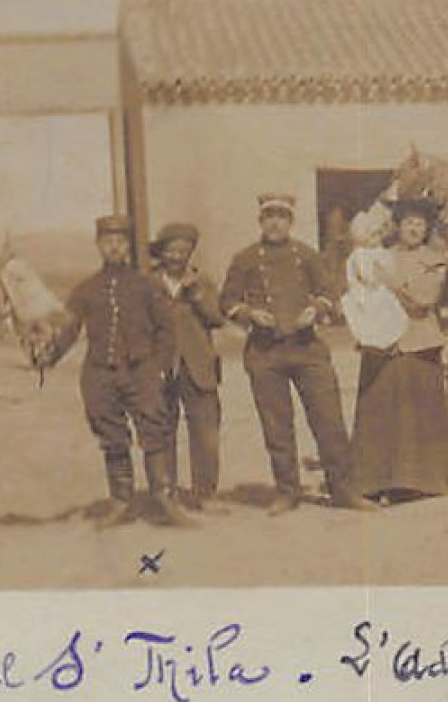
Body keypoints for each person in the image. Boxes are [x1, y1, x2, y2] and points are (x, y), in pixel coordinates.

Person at [220, 194, 371, 515]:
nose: (275, 222)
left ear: (291, 221)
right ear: (260, 221)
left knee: (329, 421)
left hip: (308, 351)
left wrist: (315, 309)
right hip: (265, 353)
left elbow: (330, 292)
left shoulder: (307, 255)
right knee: (277, 427)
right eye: (269, 216)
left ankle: (343, 490)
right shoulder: (245, 259)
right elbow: (227, 302)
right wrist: (249, 314)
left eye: (282, 216)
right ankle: (287, 492)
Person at [45, 213, 192, 527]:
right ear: (98, 246)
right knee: (111, 434)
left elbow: (166, 332)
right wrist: (49, 356)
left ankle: (163, 499)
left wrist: (161, 369)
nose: (113, 247)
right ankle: (121, 500)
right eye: (107, 242)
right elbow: (69, 330)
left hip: (142, 372)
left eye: (120, 241)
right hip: (99, 374)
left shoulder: (147, 285)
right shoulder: (86, 289)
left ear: (128, 246)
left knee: (154, 430)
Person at [350, 196, 448, 503]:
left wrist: (388, 283)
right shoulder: (376, 255)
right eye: (408, 222)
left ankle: (418, 480)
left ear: (427, 229)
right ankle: (372, 480)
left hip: (419, 344)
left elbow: (424, 300)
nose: (414, 228)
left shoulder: (435, 259)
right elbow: (359, 292)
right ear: (397, 226)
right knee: (379, 412)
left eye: (420, 223)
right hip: (381, 343)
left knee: (417, 416)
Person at [149, 222, 225, 510]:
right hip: (161, 366)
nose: (177, 256)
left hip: (199, 366)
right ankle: (167, 494)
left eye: (183, 250)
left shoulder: (203, 283)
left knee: (206, 432)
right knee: (162, 430)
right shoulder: (149, 283)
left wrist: (197, 297)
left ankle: (206, 493)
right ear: (161, 253)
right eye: (171, 250)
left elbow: (217, 318)